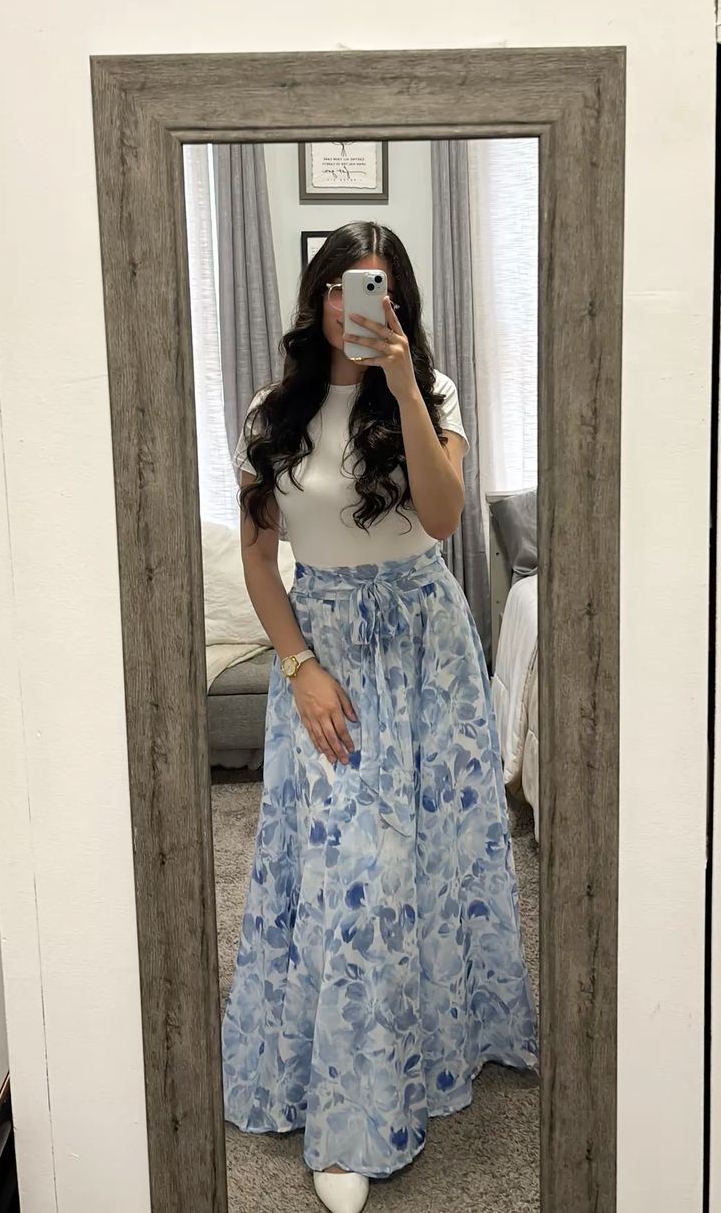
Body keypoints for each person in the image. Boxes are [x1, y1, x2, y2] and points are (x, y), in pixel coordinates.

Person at [221, 221, 538, 1213]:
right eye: (341, 287)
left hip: (426, 646)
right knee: (349, 871)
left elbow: (441, 520)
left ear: (398, 303)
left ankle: (438, 1040)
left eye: (379, 288)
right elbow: (258, 559)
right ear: (317, 297)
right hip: (327, 657)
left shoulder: (431, 396)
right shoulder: (272, 412)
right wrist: (299, 665)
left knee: (427, 858)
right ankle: (350, 1111)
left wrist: (402, 386)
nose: (356, 306)